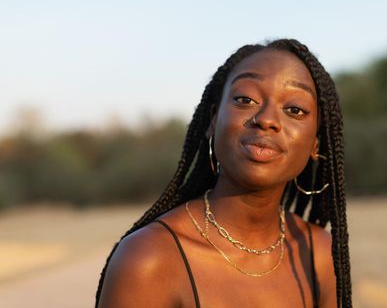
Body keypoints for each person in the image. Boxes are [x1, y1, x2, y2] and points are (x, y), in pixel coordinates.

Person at [95, 39, 352, 307]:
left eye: (294, 110)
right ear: (213, 121)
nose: (266, 119)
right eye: (245, 99)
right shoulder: (151, 258)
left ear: (315, 144)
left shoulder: (318, 253)